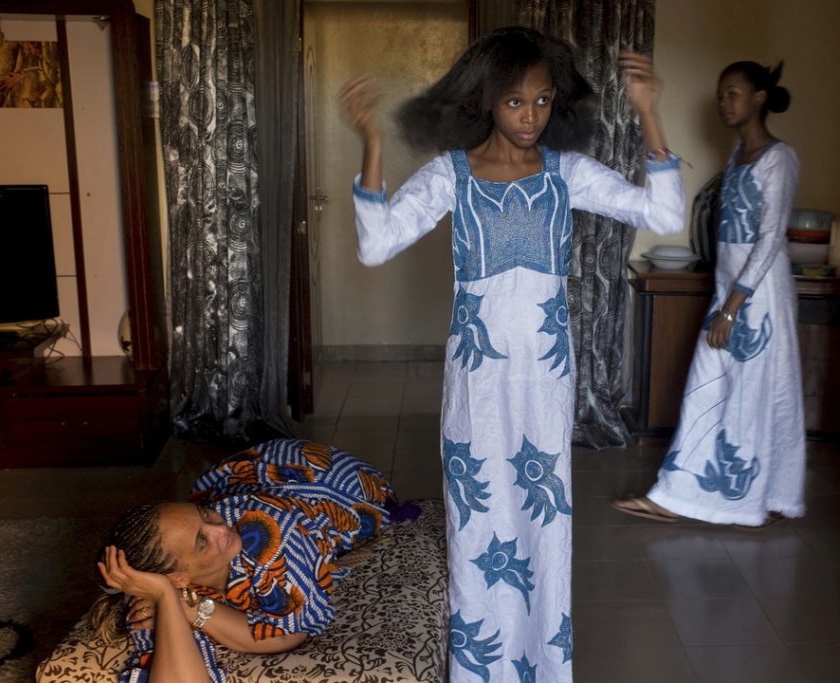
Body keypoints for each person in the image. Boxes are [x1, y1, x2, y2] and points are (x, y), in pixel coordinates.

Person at [340, 26, 685, 682]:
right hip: (475, 387)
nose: (531, 117)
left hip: (545, 386)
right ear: (486, 101)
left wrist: (648, 113)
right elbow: (375, 244)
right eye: (515, 102)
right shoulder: (451, 176)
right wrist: (373, 144)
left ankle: (545, 668)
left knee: (542, 529)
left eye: (544, 101)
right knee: (476, 531)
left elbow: (662, 213)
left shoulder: (568, 174)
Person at [613, 60, 805, 528]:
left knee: (755, 395)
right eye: (721, 94)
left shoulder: (780, 159)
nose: (724, 102)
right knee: (710, 390)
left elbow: (770, 239)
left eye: (733, 93)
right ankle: (678, 495)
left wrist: (733, 309)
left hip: (758, 299)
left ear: (760, 98)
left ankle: (764, 497)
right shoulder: (739, 155)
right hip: (730, 293)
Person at [92, 438, 407, 683]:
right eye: (202, 540)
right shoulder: (164, 581)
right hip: (256, 479)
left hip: (334, 475)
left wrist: (184, 605)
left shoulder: (272, 538)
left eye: (204, 514)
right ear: (177, 578)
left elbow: (290, 634)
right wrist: (165, 596)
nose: (219, 528)